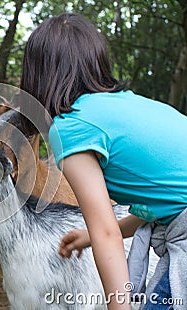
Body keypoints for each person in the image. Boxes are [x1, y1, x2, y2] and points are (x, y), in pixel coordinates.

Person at [20, 13, 187, 310]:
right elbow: (166, 200)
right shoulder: (131, 104)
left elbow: (105, 232)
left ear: (36, 74)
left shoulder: (71, 127)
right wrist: (87, 236)